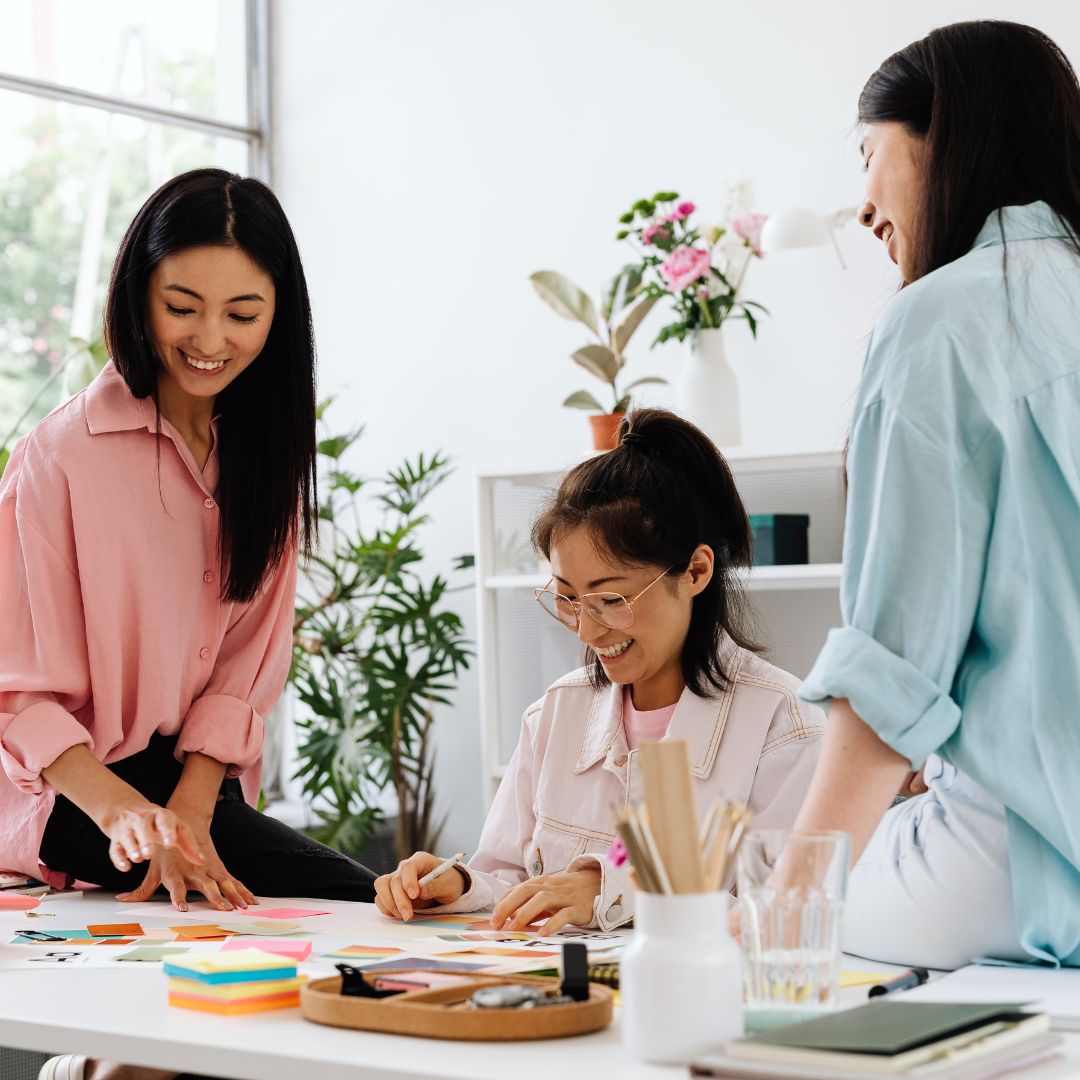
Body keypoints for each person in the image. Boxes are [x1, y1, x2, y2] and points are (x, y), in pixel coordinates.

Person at [0, 169, 379, 920]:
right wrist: (131, 816)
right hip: (71, 785)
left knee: (354, 898)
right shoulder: (60, 457)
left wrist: (194, 809)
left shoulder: (263, 456)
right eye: (182, 308)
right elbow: (18, 690)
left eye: (242, 314)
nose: (210, 341)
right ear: (140, 295)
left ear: (280, 316)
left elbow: (245, 668)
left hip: (194, 780)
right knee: (342, 899)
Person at [791, 20, 1080, 969]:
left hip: (1029, 860)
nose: (864, 208)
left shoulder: (940, 321)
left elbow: (887, 674)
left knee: (766, 921)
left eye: (870, 154)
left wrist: (786, 912)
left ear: (944, 133)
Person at [374, 408, 826, 934]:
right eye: (568, 599)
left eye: (611, 599)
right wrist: (457, 886)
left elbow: (786, 915)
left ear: (697, 571)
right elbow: (508, 874)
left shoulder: (784, 727)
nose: (587, 633)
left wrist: (616, 891)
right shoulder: (554, 714)